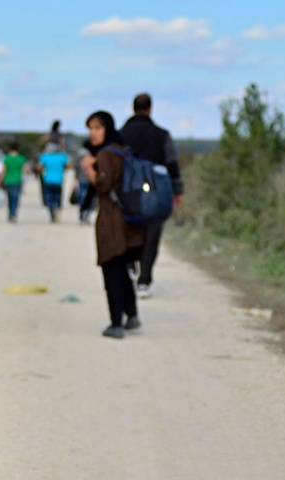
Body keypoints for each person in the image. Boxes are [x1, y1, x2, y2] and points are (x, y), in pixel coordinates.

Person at [81, 111, 144, 338]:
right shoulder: (122, 151)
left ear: (107, 128)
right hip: (128, 220)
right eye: (90, 128)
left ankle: (116, 322)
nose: (93, 133)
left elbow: (103, 186)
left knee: (112, 271)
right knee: (123, 269)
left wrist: (88, 169)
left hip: (112, 220)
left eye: (97, 128)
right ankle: (132, 314)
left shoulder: (106, 155)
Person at [120, 93, 183, 300]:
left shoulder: (121, 134)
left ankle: (130, 266)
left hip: (127, 192)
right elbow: (172, 163)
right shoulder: (162, 135)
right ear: (150, 109)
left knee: (128, 230)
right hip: (155, 191)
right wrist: (177, 191)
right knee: (152, 233)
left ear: (133, 108)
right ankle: (144, 280)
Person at [35, 142, 70, 223]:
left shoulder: (44, 157)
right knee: (58, 197)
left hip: (48, 180)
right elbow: (68, 166)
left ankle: (51, 212)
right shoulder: (62, 156)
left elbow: (39, 167)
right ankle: (57, 210)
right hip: (58, 180)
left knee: (49, 197)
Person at [0, 143, 27, 222]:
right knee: (15, 198)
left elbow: (3, 171)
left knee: (9, 198)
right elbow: (26, 170)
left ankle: (10, 213)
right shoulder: (21, 158)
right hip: (17, 180)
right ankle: (14, 213)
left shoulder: (6, 158)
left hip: (8, 180)